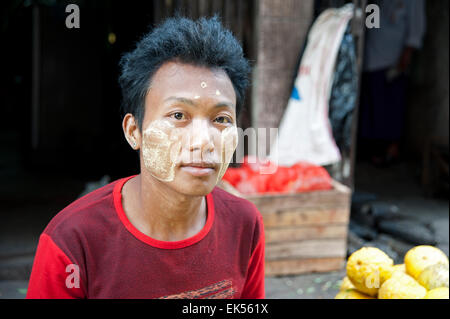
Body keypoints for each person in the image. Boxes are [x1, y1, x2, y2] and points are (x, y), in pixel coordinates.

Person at [26, 16, 265, 299]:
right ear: (133, 131)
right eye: (178, 115)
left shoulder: (244, 224)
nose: (204, 141)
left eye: (221, 119)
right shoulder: (72, 241)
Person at [359, 0, 426, 166]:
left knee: (391, 108)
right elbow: (369, 24)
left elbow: (416, 29)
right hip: (370, 59)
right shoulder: (378, 2)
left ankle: (390, 151)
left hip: (392, 62)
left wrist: (406, 56)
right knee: (372, 107)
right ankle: (371, 150)